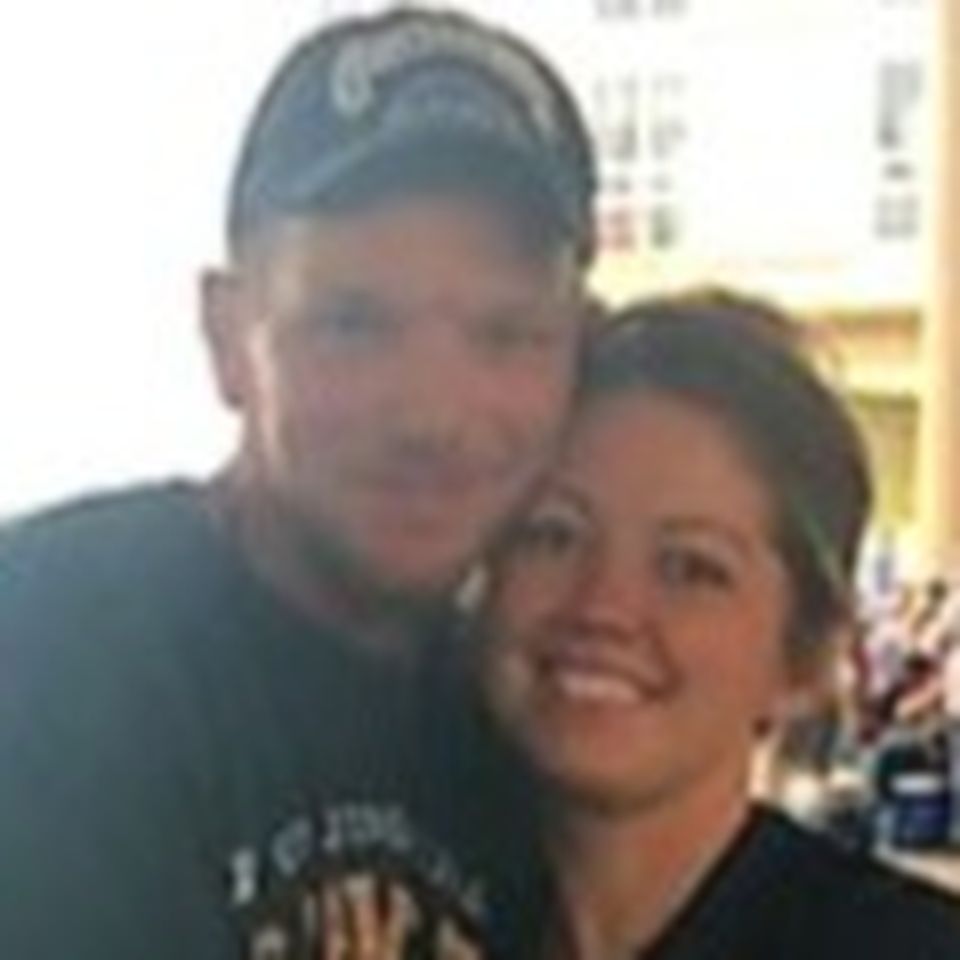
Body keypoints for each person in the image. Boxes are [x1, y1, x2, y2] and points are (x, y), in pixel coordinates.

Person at [0, 8, 596, 959]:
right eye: (353, 325)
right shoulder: (53, 642)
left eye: (507, 336)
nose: (432, 416)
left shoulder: (535, 713)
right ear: (227, 336)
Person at [479, 292, 960, 958]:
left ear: (806, 655)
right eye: (555, 535)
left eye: (690, 568)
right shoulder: (386, 906)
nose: (602, 606)